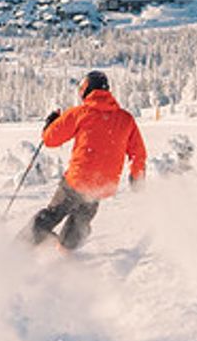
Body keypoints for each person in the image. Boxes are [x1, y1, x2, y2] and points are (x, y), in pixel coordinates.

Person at [28, 70, 147, 250]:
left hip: (77, 181)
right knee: (79, 223)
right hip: (102, 185)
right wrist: (137, 176)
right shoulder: (126, 119)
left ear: (86, 89)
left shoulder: (80, 113)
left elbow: (50, 139)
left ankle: (18, 250)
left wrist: (50, 123)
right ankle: (66, 253)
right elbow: (138, 152)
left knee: (50, 216)